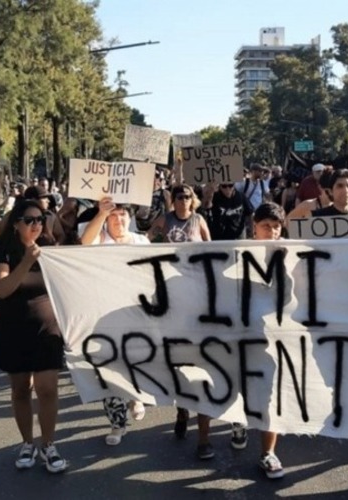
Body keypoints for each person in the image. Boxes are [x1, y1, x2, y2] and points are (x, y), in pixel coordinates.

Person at [0, 200, 68, 473]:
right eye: (30, 220)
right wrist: (26, 262)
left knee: (47, 388)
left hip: (46, 327)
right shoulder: (1, 251)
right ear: (17, 223)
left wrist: (101, 214)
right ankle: (27, 443)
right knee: (21, 389)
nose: (36, 225)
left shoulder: (50, 250)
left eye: (40, 219)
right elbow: (3, 289)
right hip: (13, 327)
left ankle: (49, 444)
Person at [148, 184, 214, 459]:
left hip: (197, 294)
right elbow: (147, 239)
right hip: (170, 293)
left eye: (187, 196)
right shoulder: (165, 219)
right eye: (179, 197)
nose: (183, 200)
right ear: (172, 200)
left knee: (200, 360)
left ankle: (202, 431)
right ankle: (181, 409)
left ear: (193, 200)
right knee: (176, 357)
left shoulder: (199, 220)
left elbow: (211, 249)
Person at [80, 197, 148, 445]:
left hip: (136, 313)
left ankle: (135, 396)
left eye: (122, 215)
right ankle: (117, 424)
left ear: (130, 218)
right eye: (113, 216)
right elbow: (85, 242)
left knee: (135, 362)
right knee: (107, 368)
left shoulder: (141, 242)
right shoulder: (101, 239)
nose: (118, 220)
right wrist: (100, 213)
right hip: (103, 314)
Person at [228, 202, 286, 479]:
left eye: (276, 227)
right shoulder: (240, 253)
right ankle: (238, 420)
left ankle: (268, 452)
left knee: (271, 396)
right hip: (243, 336)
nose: (272, 232)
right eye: (266, 227)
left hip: (276, 338)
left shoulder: (291, 252)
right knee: (240, 388)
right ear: (255, 227)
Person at [135, 169, 171, 233]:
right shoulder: (139, 192)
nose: (153, 178)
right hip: (141, 230)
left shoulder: (165, 194)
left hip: (159, 231)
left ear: (160, 179)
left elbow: (170, 213)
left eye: (156, 175)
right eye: (150, 175)